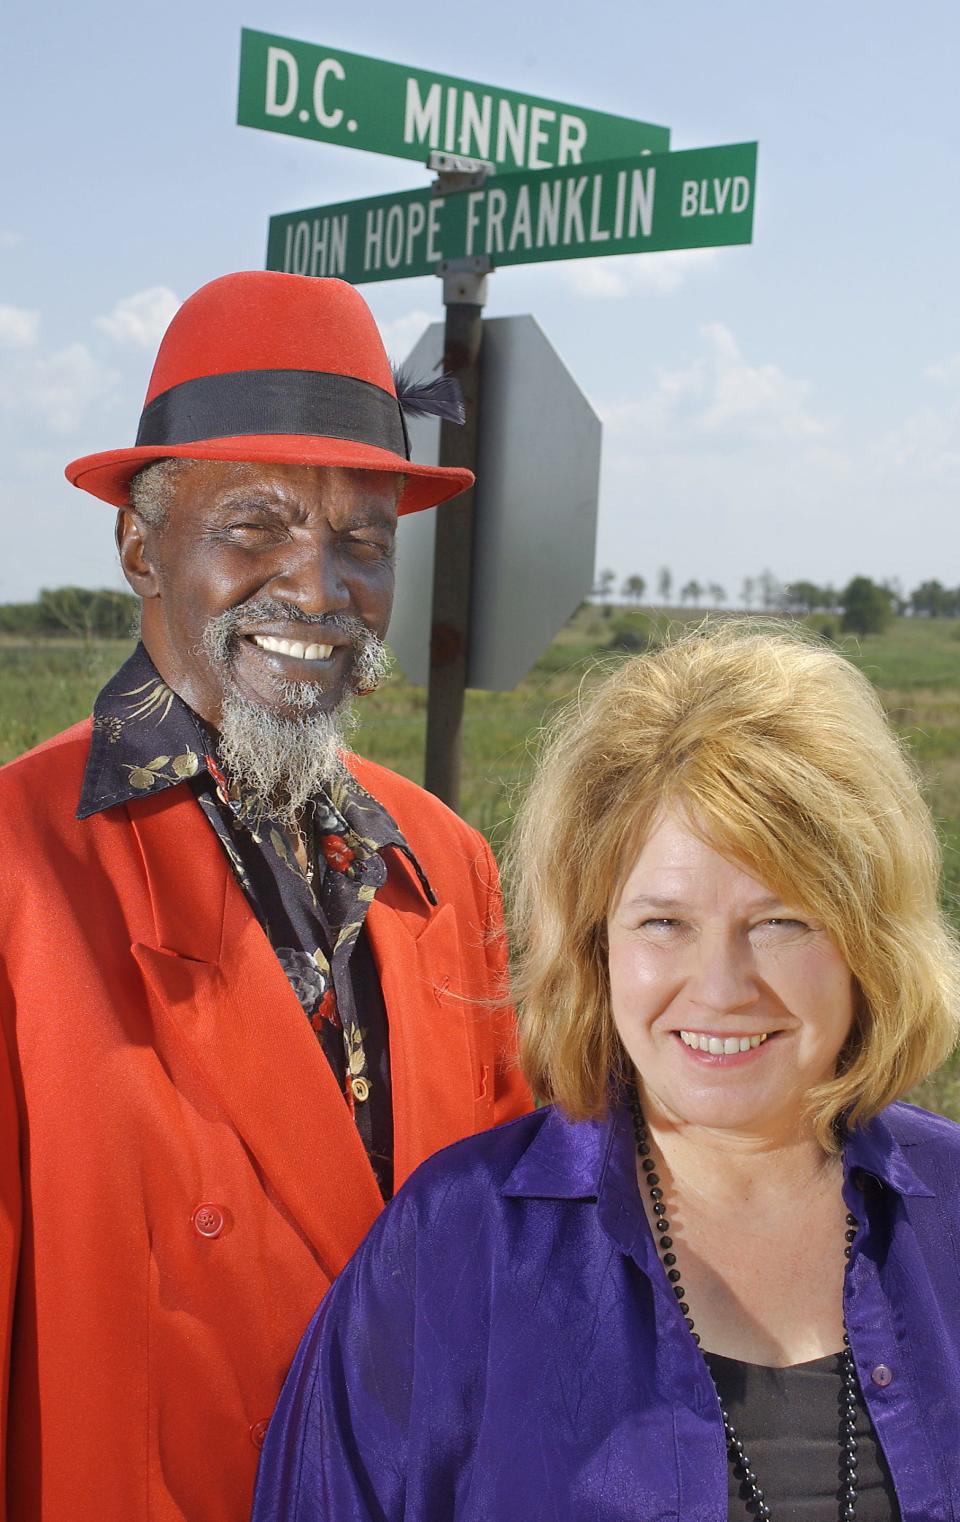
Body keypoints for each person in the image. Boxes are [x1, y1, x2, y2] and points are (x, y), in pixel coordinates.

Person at [0, 270, 531, 1521]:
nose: (317, 586)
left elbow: (514, 1270)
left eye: (362, 542)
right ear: (140, 544)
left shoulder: (446, 866)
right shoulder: (18, 872)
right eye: (256, 525)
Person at [253, 622, 960, 1522]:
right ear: (595, 949)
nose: (722, 989)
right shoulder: (459, 1243)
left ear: (868, 943)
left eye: (782, 922)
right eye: (664, 923)